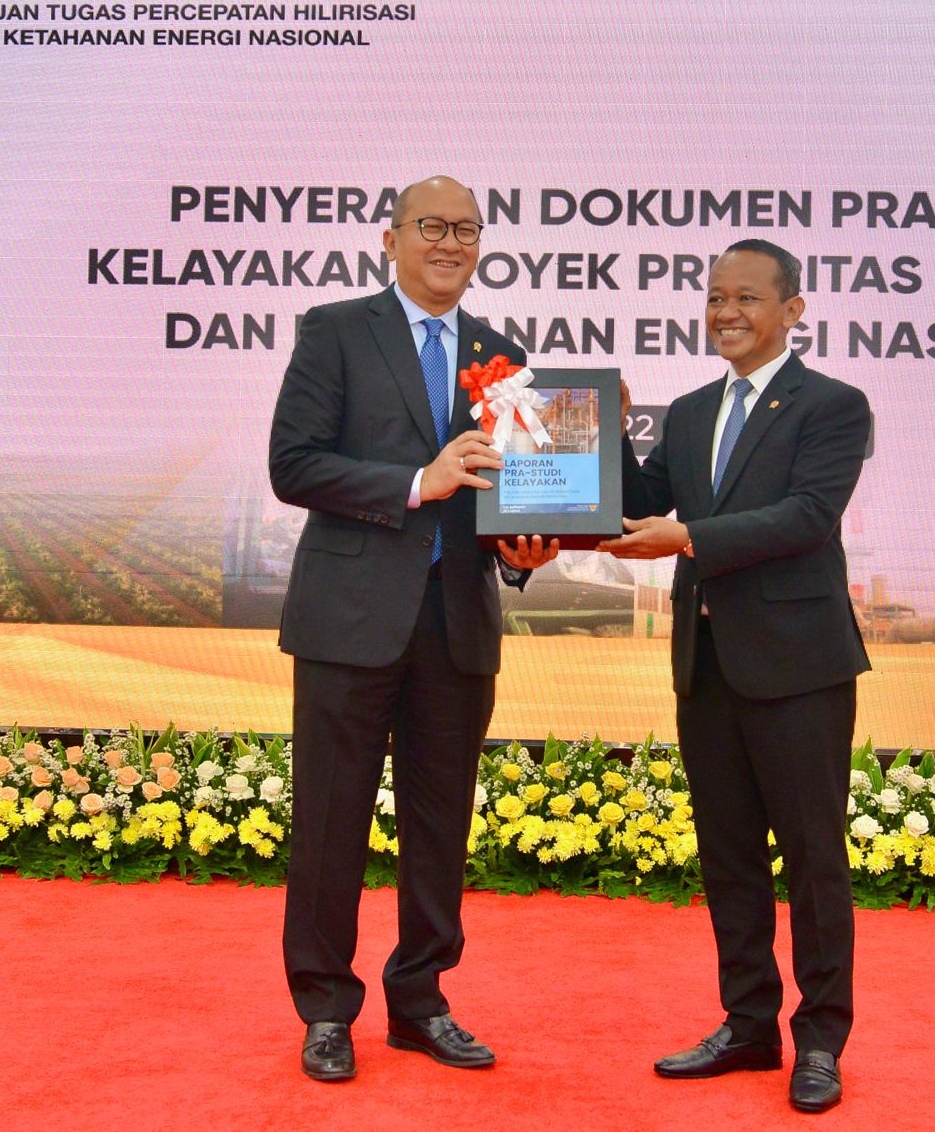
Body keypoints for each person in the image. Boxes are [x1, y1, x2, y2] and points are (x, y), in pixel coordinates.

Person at [268, 175, 557, 1082]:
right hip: (349, 618)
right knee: (331, 821)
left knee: (440, 824)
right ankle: (326, 1007)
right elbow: (293, 464)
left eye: (466, 230)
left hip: (456, 620)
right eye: (431, 225)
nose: (449, 243)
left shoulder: (501, 354)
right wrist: (414, 483)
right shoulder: (334, 330)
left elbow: (510, 491)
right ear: (389, 240)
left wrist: (525, 548)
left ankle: (421, 999)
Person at [599, 239, 871, 1114]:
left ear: (793, 310)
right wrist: (606, 428)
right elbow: (639, 504)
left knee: (814, 860)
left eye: (747, 297)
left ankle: (820, 1038)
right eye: (716, 296)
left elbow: (806, 516)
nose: (726, 312)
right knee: (729, 857)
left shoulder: (833, 405)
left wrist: (688, 539)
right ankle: (749, 1022)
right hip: (708, 665)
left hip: (800, 668)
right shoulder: (687, 412)